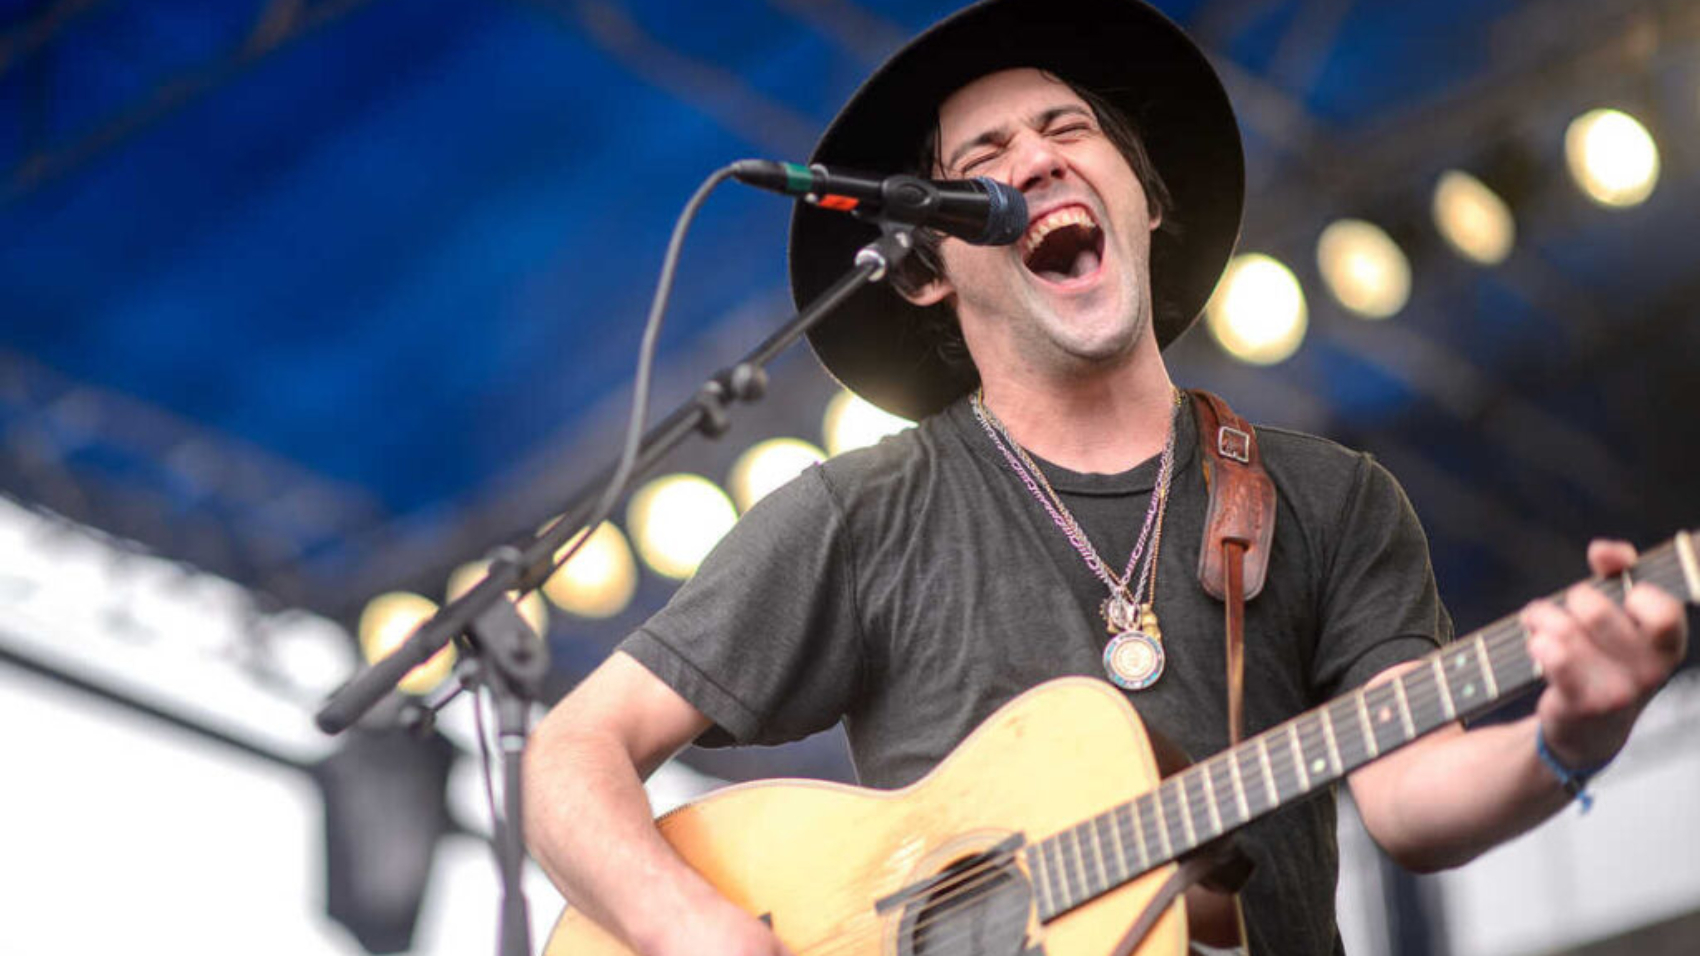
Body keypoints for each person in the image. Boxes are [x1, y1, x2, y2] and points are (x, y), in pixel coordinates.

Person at [523, 1, 1690, 954]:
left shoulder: (1331, 499)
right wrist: (687, 923)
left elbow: (1408, 800)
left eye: (1067, 130)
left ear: (1146, 200)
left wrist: (1568, 735)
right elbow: (569, 755)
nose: (1033, 159)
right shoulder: (861, 512)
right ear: (926, 268)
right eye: (982, 160)